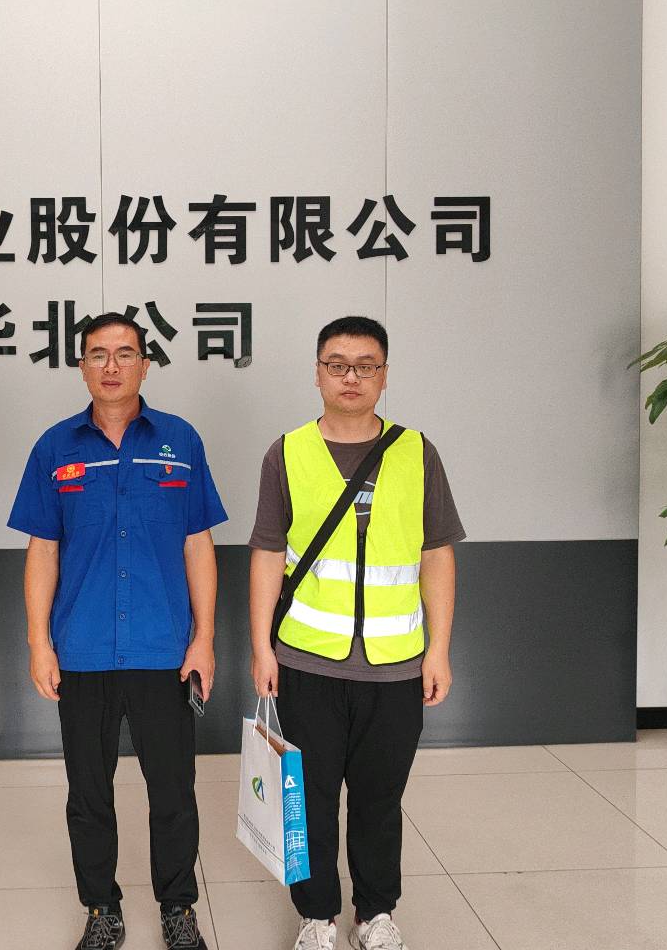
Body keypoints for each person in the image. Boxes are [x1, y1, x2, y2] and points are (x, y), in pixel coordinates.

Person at [8, 312, 226, 950]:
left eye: (125, 353)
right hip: (82, 650)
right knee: (88, 793)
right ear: (82, 365)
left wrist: (204, 639)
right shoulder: (55, 448)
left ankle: (177, 908)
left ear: (145, 364)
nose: (111, 366)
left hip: (164, 650)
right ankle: (101, 908)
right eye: (98, 354)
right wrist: (39, 642)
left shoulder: (180, 441)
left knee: (173, 792)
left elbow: (198, 544)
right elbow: (43, 550)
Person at [247, 315, 462, 950]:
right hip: (307, 662)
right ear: (317, 374)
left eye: (366, 366)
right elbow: (267, 552)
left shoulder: (417, 452)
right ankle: (315, 916)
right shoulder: (287, 452)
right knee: (308, 799)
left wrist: (439, 651)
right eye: (337, 365)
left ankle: (375, 914)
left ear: (384, 376)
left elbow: (436, 554)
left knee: (379, 799)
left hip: (396, 665)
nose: (351, 377)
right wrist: (261, 647)